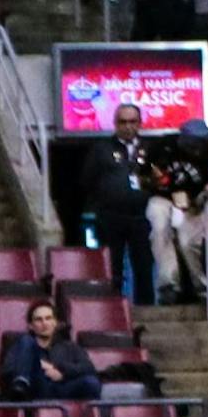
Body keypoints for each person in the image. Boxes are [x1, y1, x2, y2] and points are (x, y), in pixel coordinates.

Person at [81, 104, 160, 305]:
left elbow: (160, 179)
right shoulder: (102, 148)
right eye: (123, 122)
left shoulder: (151, 149)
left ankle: (146, 307)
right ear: (115, 123)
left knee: (143, 262)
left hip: (142, 216)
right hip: (111, 215)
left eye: (132, 121)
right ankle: (112, 306)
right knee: (112, 263)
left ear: (140, 123)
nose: (128, 126)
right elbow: (87, 180)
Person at [0, 300, 101, 404]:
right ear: (30, 326)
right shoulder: (21, 345)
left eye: (48, 318)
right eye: (39, 320)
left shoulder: (70, 346)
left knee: (91, 383)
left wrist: (61, 371)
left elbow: (88, 367)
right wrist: (37, 364)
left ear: (55, 323)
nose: (44, 323)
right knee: (26, 340)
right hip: (35, 388)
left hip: (62, 387)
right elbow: (6, 373)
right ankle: (22, 384)